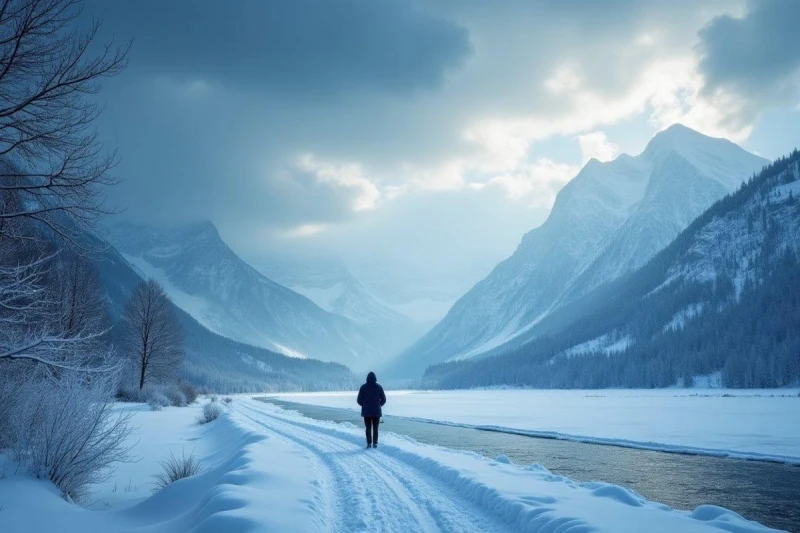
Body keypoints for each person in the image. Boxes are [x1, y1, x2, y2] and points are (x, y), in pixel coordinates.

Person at [356, 371, 386, 448]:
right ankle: (375, 443)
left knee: (368, 428)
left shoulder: (363, 387)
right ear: (375, 378)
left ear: (367, 378)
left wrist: (365, 405)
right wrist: (378, 405)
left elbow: (359, 400)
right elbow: (384, 399)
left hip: (367, 412)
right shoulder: (379, 387)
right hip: (376, 412)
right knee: (375, 428)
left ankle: (369, 443)